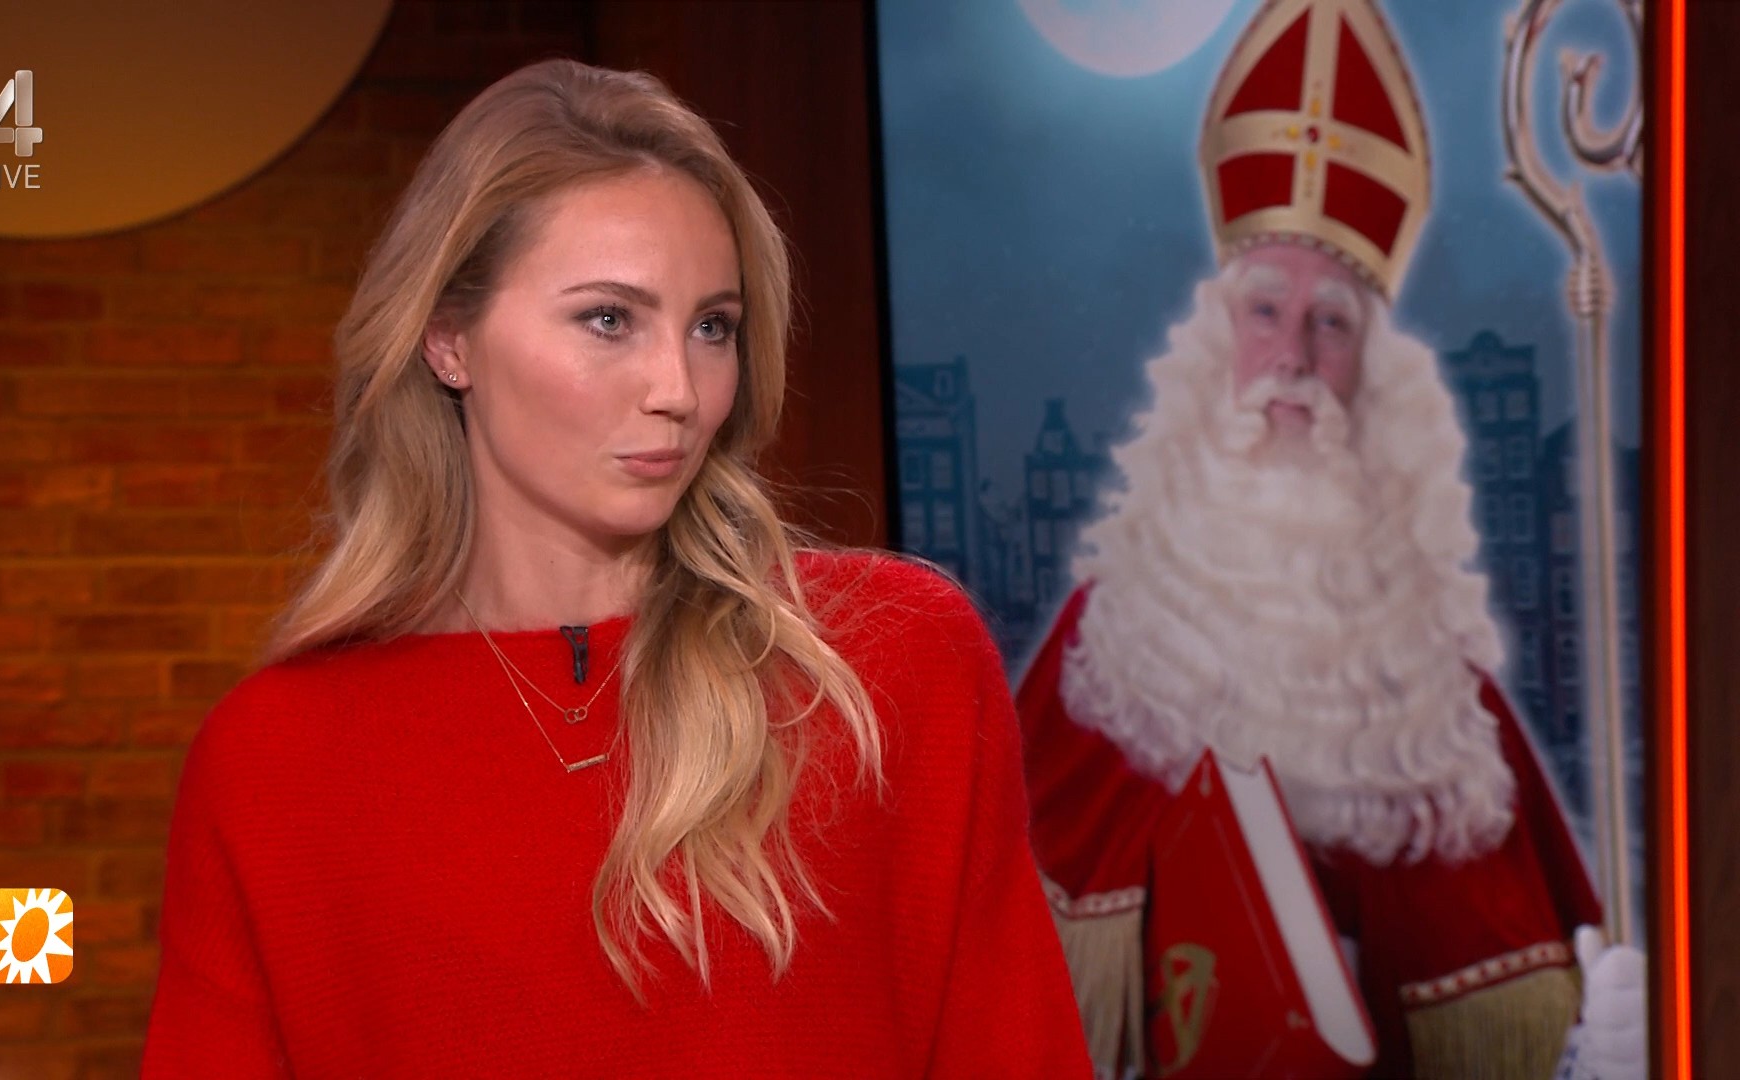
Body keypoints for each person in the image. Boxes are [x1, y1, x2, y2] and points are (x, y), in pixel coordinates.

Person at [140, 59, 1090, 1078]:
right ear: (448, 338)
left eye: (713, 327)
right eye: (609, 319)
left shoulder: (891, 664)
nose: (679, 387)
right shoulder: (274, 763)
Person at [1014, 1, 1645, 1077]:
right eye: (1265, 312)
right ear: (1213, 350)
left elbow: (1537, 1020)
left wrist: (1603, 1051)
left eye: (1333, 323)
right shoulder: (1101, 658)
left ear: (1377, 383)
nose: (1294, 359)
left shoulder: (1441, 706)